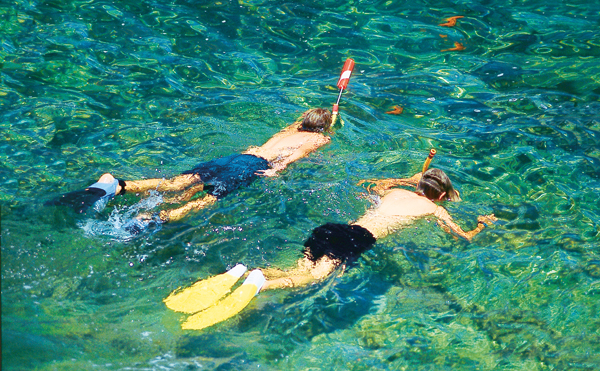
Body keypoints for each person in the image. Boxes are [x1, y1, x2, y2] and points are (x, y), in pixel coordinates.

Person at [47, 108, 333, 222]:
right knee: (210, 198)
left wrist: (319, 118)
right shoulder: (319, 140)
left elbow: (301, 124)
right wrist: (277, 170)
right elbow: (295, 156)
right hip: (252, 165)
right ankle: (160, 219)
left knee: (178, 183)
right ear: (322, 129)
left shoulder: (289, 130)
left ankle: (117, 185)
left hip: (235, 156)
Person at [257, 168, 497, 290]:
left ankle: (254, 274)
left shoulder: (395, 191)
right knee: (312, 278)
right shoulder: (435, 210)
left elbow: (373, 184)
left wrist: (406, 180)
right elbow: (463, 237)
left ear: (418, 185)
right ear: (442, 195)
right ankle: (259, 287)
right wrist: (481, 224)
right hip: (355, 240)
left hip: (334, 229)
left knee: (297, 269)